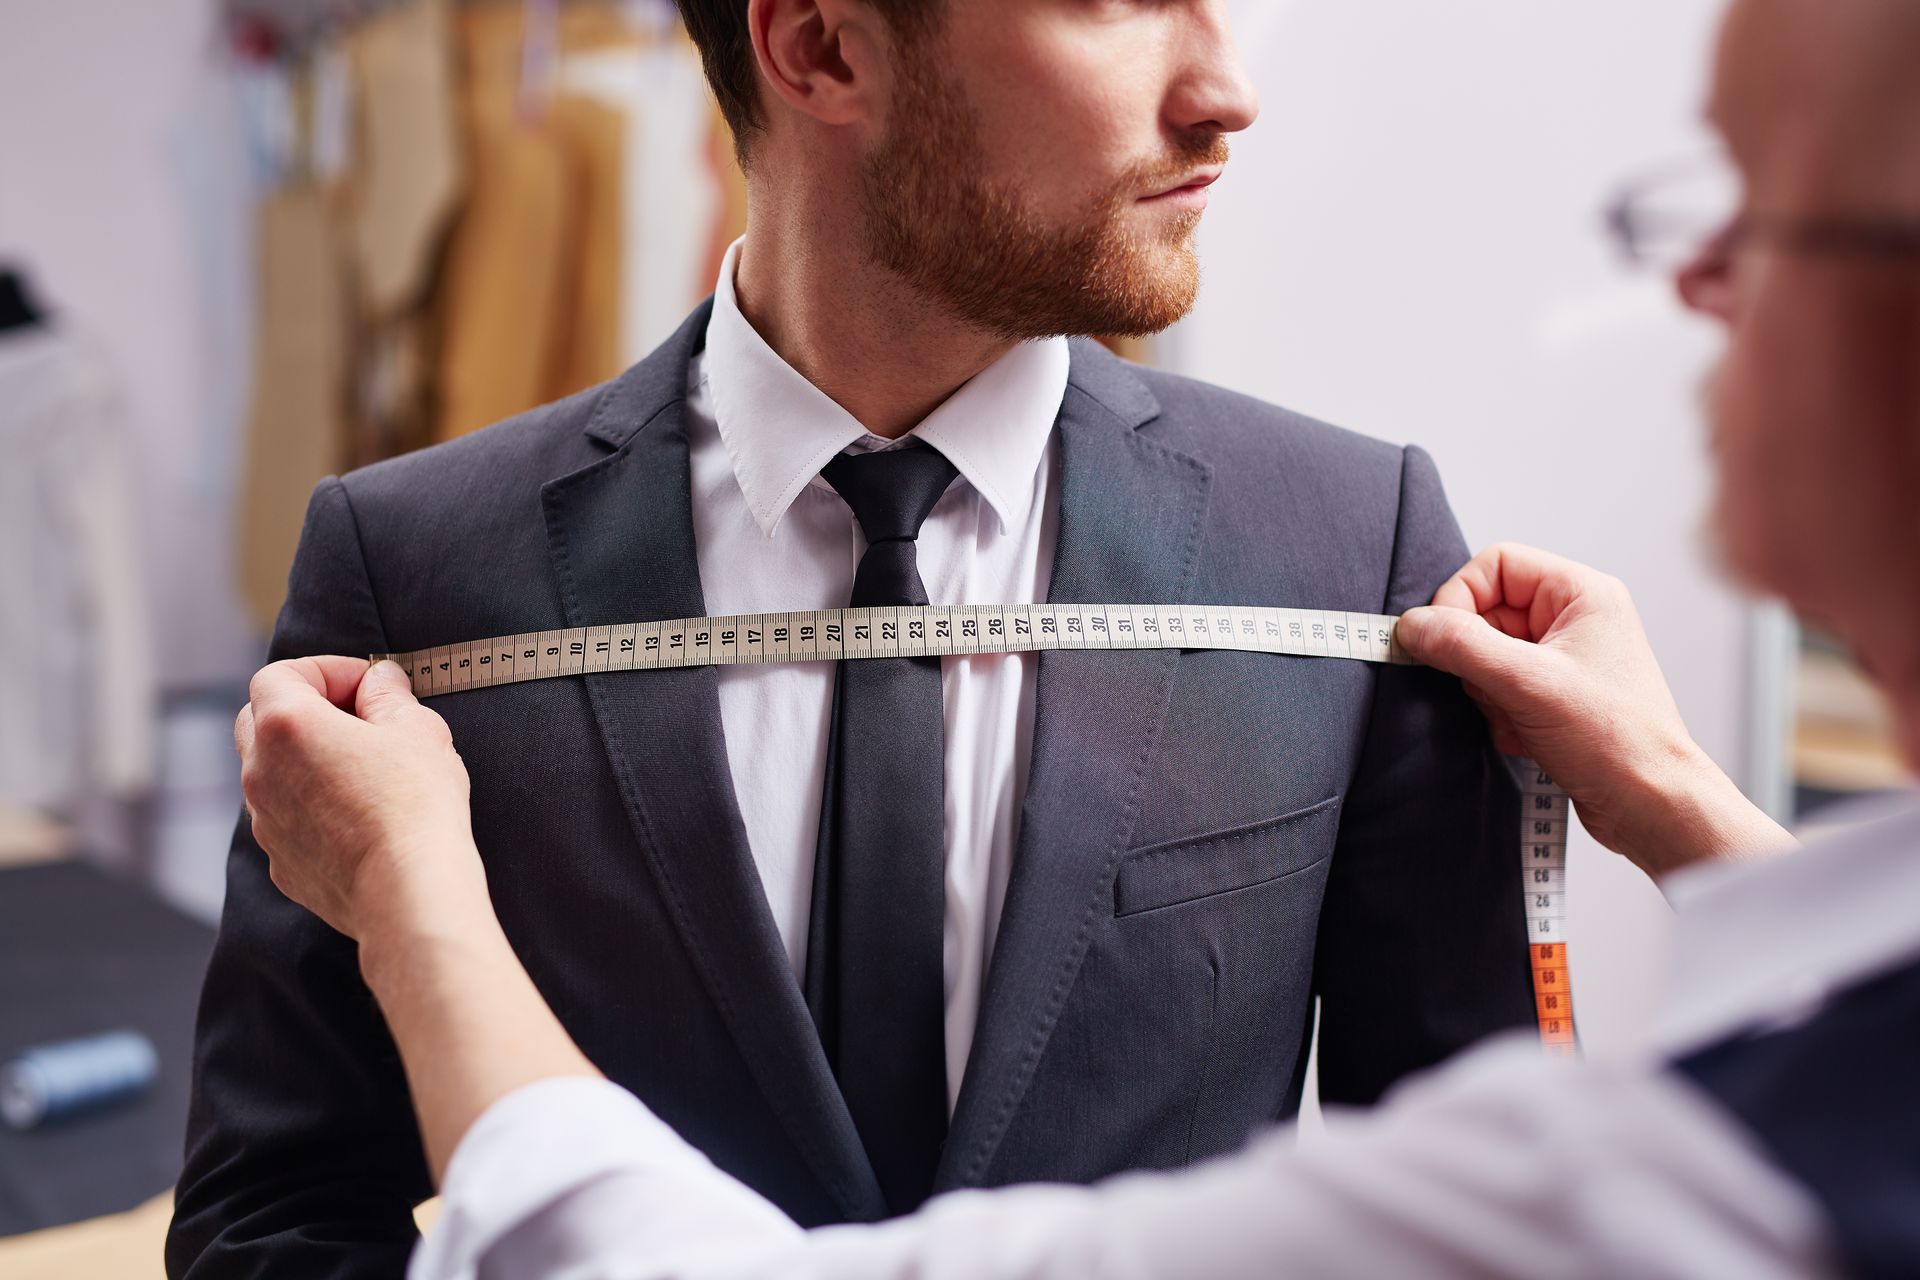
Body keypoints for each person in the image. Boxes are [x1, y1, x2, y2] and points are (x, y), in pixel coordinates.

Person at [223, 0, 1920, 1274]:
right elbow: (284, 1208)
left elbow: (1463, 1161)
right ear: (820, 47)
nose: (1227, 86)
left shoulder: (1348, 543)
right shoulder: (417, 563)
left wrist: (419, 907)